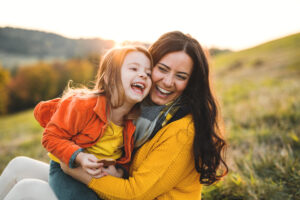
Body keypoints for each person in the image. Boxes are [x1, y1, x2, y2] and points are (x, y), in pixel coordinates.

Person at [0, 31, 228, 200]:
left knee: (28, 190)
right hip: (110, 185)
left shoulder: (181, 129)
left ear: (191, 82)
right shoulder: (142, 109)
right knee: (19, 165)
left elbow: (136, 192)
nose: (168, 82)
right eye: (162, 69)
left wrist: (74, 167)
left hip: (129, 196)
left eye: (180, 76)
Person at [0, 46, 153, 200]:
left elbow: (124, 159)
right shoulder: (83, 105)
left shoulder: (131, 123)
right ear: (109, 78)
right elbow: (50, 137)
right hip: (67, 169)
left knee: (19, 165)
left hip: (95, 179)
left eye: (148, 73)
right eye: (134, 68)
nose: (143, 75)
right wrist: (79, 157)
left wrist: (119, 172)